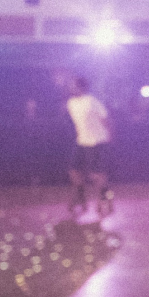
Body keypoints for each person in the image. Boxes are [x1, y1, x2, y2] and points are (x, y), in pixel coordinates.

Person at [65, 77, 113, 216]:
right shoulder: (71, 103)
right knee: (74, 172)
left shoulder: (92, 101)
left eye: (73, 85)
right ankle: (81, 198)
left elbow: (106, 119)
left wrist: (109, 136)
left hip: (97, 141)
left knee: (97, 175)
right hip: (82, 141)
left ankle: (104, 199)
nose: (70, 88)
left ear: (81, 87)